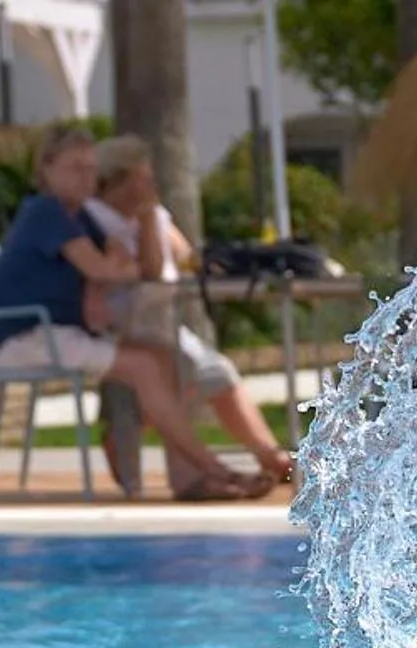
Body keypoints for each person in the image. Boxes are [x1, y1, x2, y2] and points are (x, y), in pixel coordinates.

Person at [0, 126, 266, 501]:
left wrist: (146, 218)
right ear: (47, 170)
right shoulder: (45, 211)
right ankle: (215, 469)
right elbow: (104, 269)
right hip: (22, 336)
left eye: (89, 168)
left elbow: (133, 267)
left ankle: (192, 477)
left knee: (162, 356)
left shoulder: (79, 219)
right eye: (74, 168)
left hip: (56, 332)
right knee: (145, 367)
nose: (85, 177)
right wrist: (116, 271)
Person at [85, 135, 293, 487]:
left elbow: (186, 257)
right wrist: (149, 217)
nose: (151, 186)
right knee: (191, 375)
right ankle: (200, 473)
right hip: (125, 323)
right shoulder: (97, 220)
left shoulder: (151, 214)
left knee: (218, 373)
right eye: (142, 178)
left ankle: (270, 456)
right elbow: (151, 270)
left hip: (165, 317)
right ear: (117, 181)